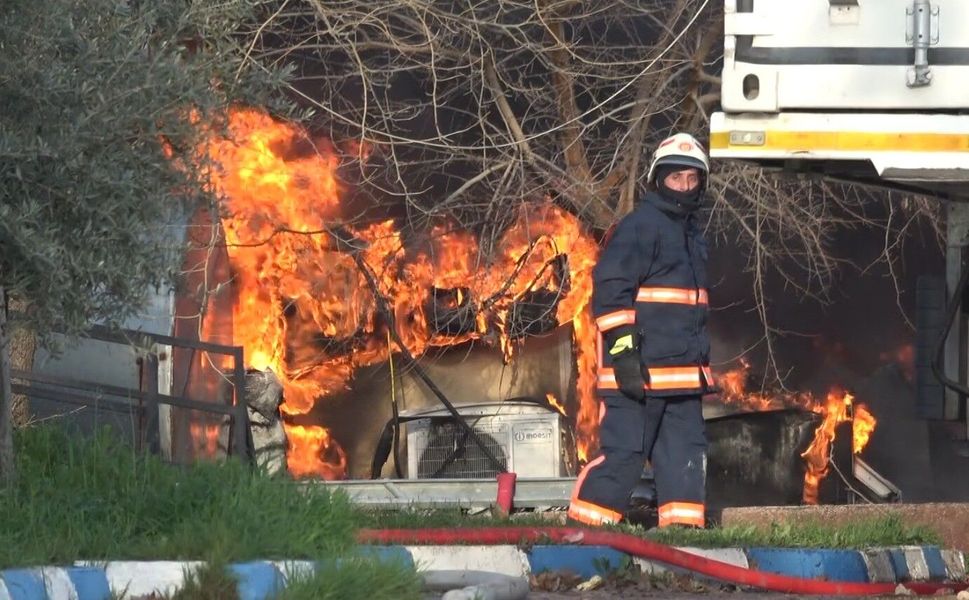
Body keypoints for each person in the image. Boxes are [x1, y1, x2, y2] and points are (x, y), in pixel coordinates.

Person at [568, 132, 715, 529]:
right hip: (640, 375)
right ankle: (585, 532)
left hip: (683, 378)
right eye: (675, 178)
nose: (684, 187)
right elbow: (612, 292)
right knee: (625, 455)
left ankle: (684, 538)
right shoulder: (640, 227)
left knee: (685, 457)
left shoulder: (691, 235)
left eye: (691, 178)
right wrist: (624, 355)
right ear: (658, 180)